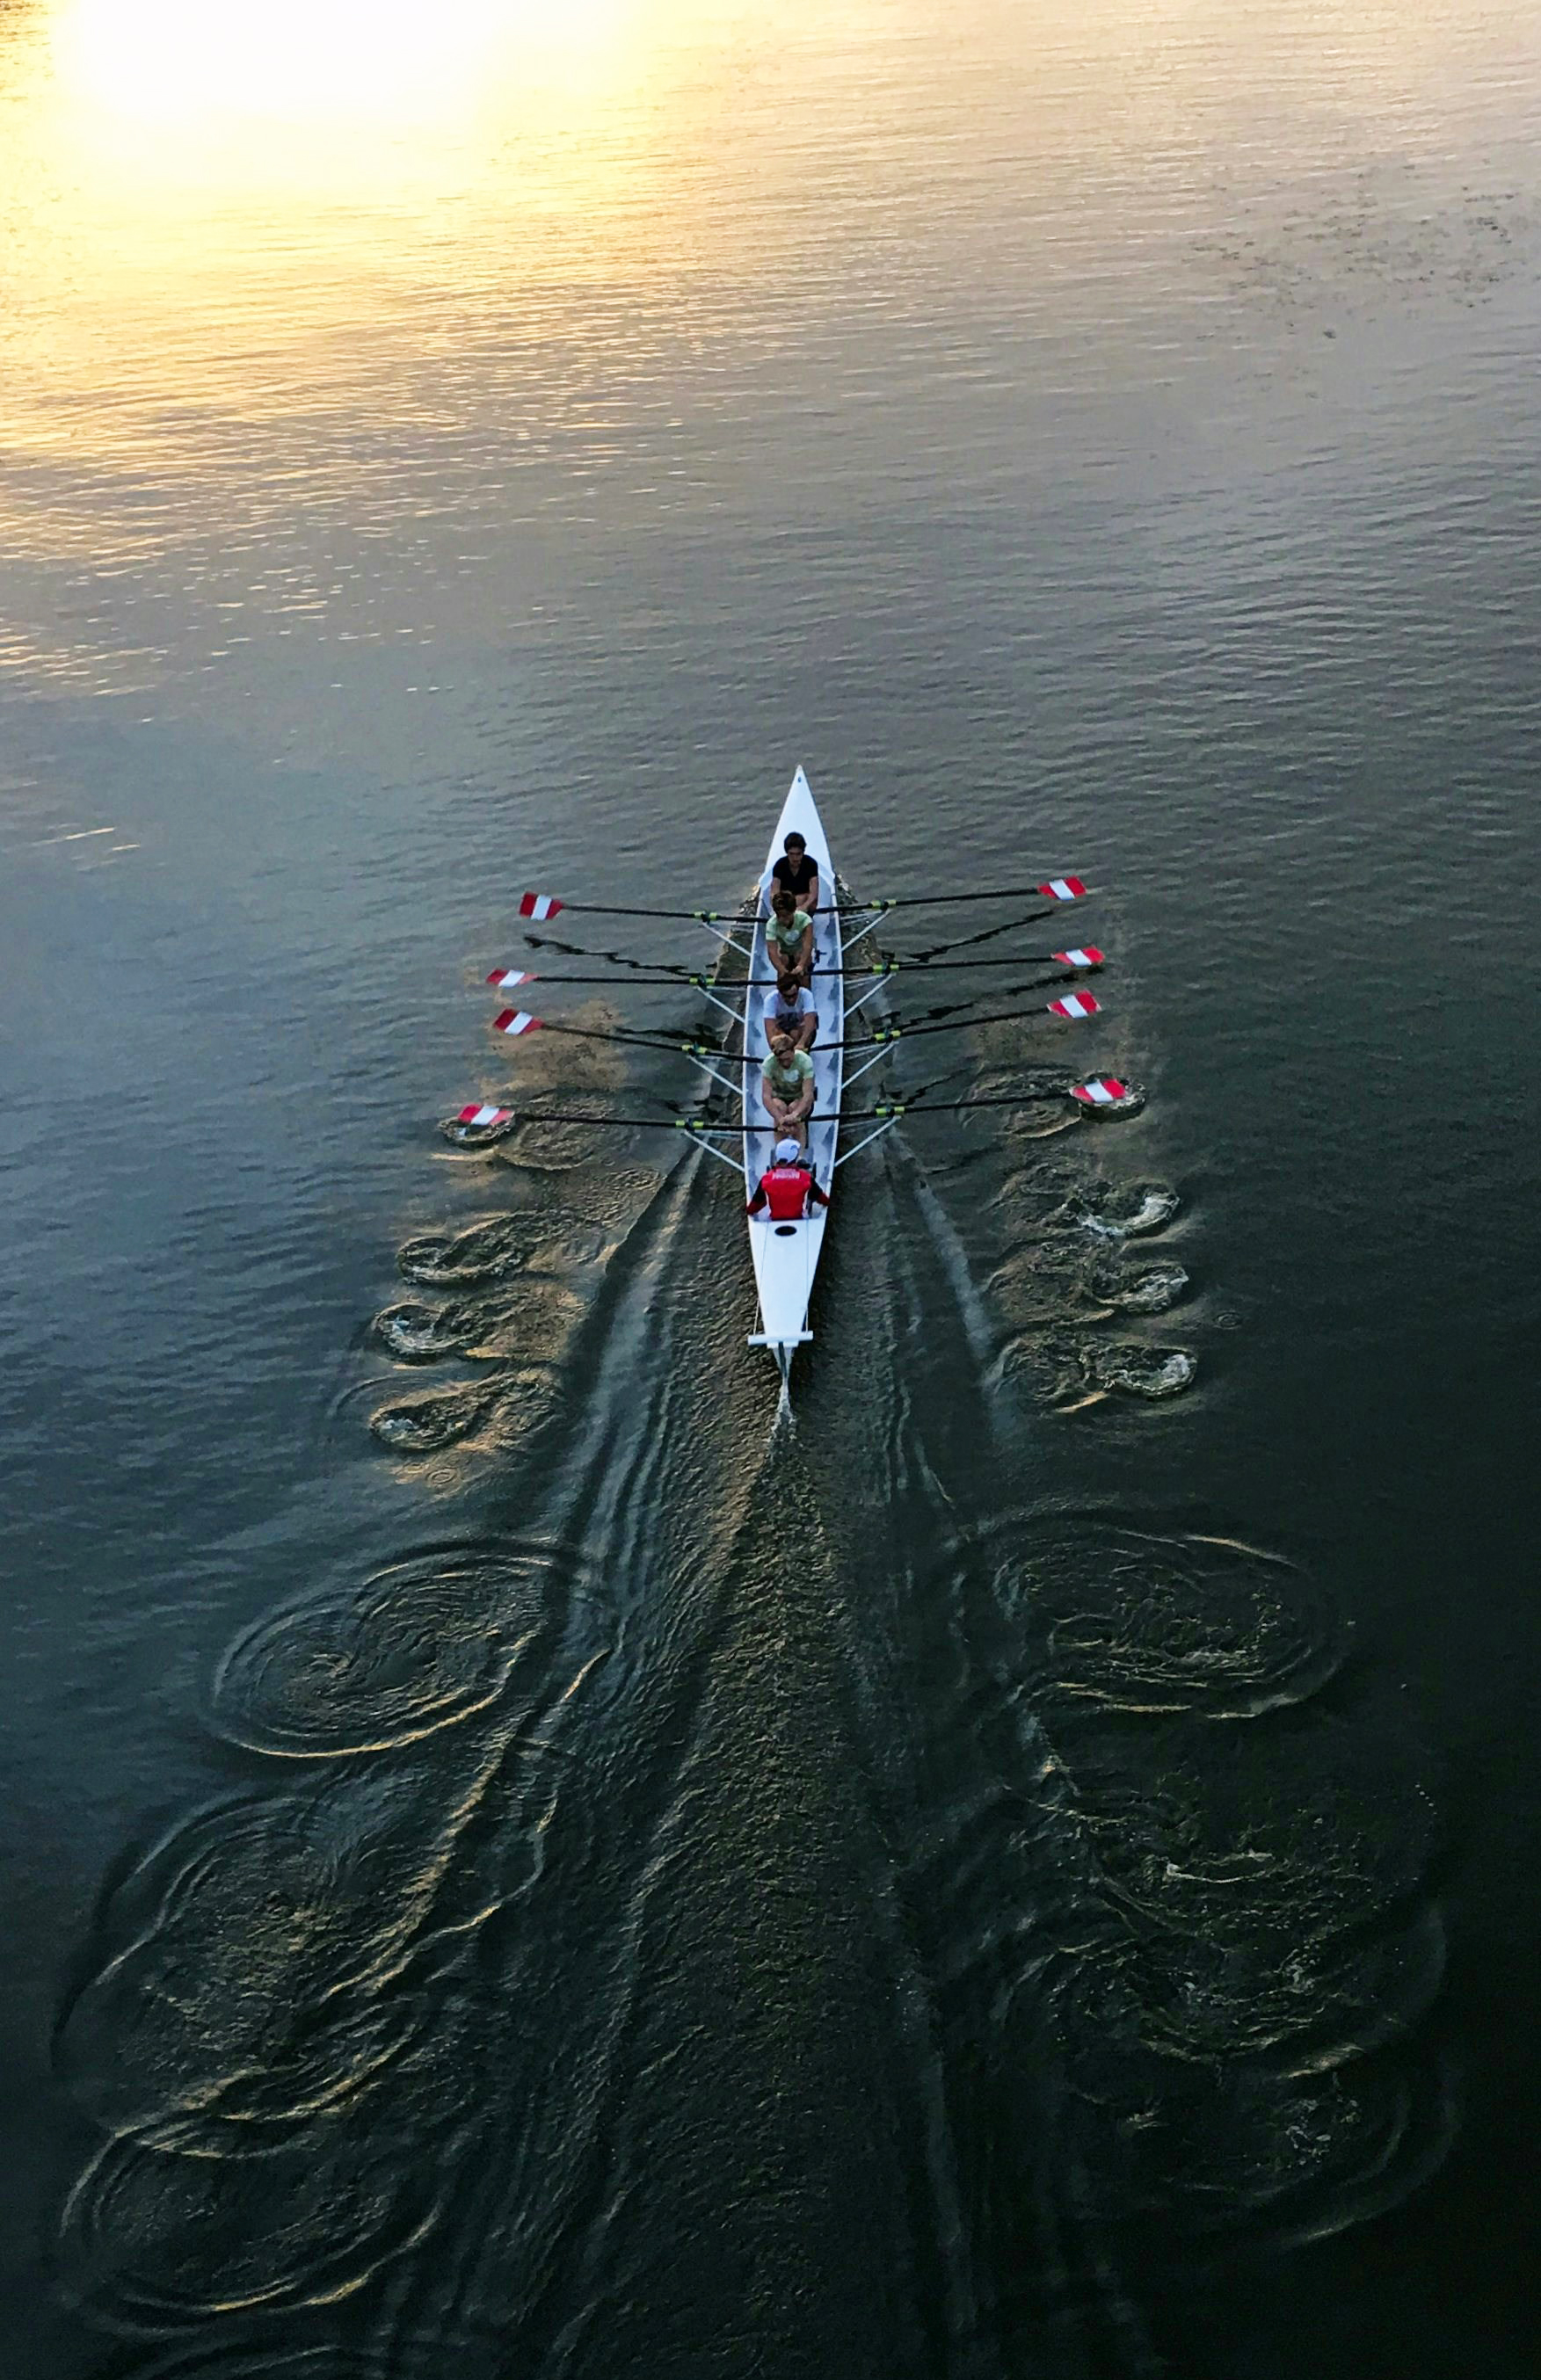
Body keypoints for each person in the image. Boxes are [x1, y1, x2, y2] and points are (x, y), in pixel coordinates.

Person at [747, 1136, 830, 1222]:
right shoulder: (806, 1178)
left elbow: (754, 1207)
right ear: (795, 1158)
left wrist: (748, 1211)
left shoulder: (766, 1179)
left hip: (774, 1220)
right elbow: (823, 1200)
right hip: (800, 1220)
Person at [760, 1030, 816, 1150]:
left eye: (788, 1059)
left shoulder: (805, 1061)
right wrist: (780, 1118)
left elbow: (808, 1095)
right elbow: (766, 1097)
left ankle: (800, 1157)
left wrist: (795, 1115)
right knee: (779, 1108)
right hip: (778, 1098)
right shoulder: (768, 1064)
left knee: (794, 1109)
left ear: (793, 1051)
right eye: (781, 1060)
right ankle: (781, 1154)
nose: (785, 1063)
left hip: (799, 1098)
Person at [766, 887, 814, 989]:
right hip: (785, 952)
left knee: (800, 962)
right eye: (779, 916)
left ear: (793, 911)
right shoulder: (771, 924)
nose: (782, 920)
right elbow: (772, 952)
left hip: (801, 952)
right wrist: (782, 970)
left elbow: (807, 946)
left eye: (786, 916)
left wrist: (801, 965)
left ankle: (806, 988)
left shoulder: (805, 920)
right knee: (782, 962)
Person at [763, 968, 816, 1054]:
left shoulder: (806, 994)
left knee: (798, 1032)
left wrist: (801, 1043)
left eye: (794, 995)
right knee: (780, 1037)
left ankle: (802, 1052)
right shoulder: (770, 999)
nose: (791, 1000)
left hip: (799, 1030)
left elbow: (810, 1020)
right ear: (780, 993)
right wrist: (775, 1049)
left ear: (799, 990)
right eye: (787, 996)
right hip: (782, 1032)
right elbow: (770, 1028)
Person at [770, 831, 820, 917]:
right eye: (791, 854)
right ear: (787, 853)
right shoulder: (780, 865)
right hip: (786, 902)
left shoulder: (811, 864)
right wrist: (782, 909)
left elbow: (814, 894)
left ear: (803, 852)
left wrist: (802, 908)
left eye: (798, 854)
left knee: (806, 899)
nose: (795, 858)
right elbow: (774, 892)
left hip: (804, 904)